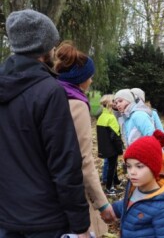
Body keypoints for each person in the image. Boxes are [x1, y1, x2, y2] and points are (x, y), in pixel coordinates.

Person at [0, 9, 91, 237]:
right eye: (53, 44)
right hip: (44, 221)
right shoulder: (49, 92)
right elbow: (65, 164)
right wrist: (80, 224)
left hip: (5, 217)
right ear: (44, 47)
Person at [54, 41, 116, 237]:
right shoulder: (76, 104)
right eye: (89, 75)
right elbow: (83, 160)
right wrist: (102, 203)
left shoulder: (51, 94)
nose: (91, 79)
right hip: (70, 193)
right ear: (80, 79)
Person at [112, 133, 164, 238]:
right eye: (129, 166)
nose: (132, 172)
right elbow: (130, 205)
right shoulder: (133, 188)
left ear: (154, 168)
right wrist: (111, 209)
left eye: (139, 166)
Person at [96, 94, 124, 195]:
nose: (115, 103)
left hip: (105, 148)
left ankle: (115, 181)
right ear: (109, 104)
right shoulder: (111, 118)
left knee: (113, 165)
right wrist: (120, 149)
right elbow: (116, 136)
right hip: (112, 148)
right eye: (113, 101)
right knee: (112, 167)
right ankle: (109, 188)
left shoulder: (101, 117)